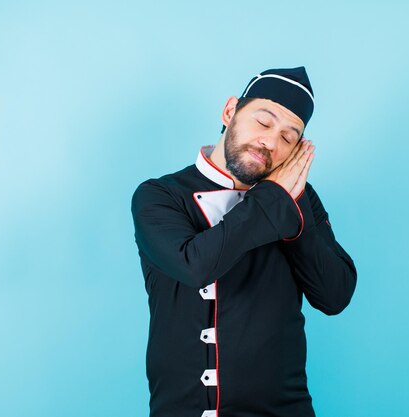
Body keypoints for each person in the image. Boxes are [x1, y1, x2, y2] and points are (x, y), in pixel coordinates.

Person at [131, 66, 357, 417]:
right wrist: (273, 200)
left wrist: (292, 210)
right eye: (263, 123)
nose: (270, 142)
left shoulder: (299, 198)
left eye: (288, 137)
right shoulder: (159, 196)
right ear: (229, 111)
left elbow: (335, 294)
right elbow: (195, 265)